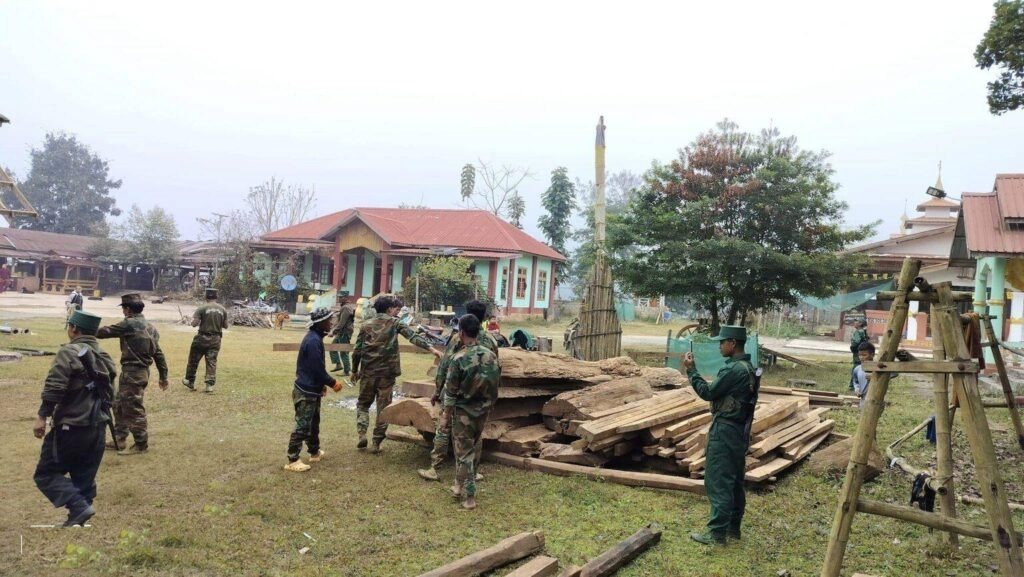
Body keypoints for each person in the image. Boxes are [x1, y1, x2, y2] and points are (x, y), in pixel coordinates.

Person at [32, 310, 116, 527]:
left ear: (74, 329)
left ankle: (79, 508)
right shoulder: (104, 356)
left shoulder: (69, 352)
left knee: (45, 474)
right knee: (84, 474)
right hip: (98, 425)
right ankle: (79, 518)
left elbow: (54, 388)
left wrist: (42, 416)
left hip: (72, 424)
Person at [682, 325, 760, 545]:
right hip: (739, 431)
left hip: (724, 430)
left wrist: (691, 370)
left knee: (718, 480)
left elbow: (708, 392)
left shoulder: (733, 370)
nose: (719, 346)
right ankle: (733, 529)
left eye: (722, 342)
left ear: (732, 344)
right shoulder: (748, 367)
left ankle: (716, 534)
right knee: (734, 480)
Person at [418, 300, 500, 482]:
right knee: (476, 435)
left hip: (456, 392)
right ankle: (474, 471)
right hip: (480, 395)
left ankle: (435, 468)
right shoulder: (490, 340)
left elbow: (445, 365)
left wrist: (438, 390)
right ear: (484, 317)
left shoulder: (458, 338)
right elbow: (495, 367)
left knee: (444, 427)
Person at [351, 294, 442, 453]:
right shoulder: (395, 323)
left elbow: (357, 351)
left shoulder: (365, 325)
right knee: (383, 408)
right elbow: (412, 336)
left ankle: (361, 434)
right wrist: (432, 349)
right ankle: (376, 443)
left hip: (368, 372)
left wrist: (354, 370)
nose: (397, 311)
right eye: (396, 308)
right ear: (390, 309)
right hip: (387, 374)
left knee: (363, 405)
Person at [96, 293, 169, 455]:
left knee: (133, 408)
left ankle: (141, 444)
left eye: (123, 308)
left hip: (133, 373)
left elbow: (105, 332)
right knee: (119, 404)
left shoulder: (129, 324)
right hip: (138, 372)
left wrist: (86, 329)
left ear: (127, 309)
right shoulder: (150, 327)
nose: (123, 311)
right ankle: (119, 438)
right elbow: (158, 354)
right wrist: (163, 376)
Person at [441, 314, 500, 510]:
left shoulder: (458, 359)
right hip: (483, 411)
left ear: (461, 333)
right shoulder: (491, 355)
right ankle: (457, 485)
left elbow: (449, 393)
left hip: (463, 412)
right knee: (470, 449)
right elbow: (496, 385)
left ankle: (470, 495)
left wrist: (444, 417)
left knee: (463, 452)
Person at [284, 307, 343, 472]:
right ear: (321, 323)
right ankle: (293, 459)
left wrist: (321, 385)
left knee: (313, 423)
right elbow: (316, 369)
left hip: (313, 388)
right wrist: (332, 383)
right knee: (303, 425)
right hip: (305, 390)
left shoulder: (316, 338)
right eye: (329, 320)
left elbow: (315, 369)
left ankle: (314, 452)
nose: (331, 323)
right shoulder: (312, 341)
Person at [182, 288, 229, 393]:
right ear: (216, 297)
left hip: (202, 338)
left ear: (206, 296)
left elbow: (194, 324)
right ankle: (209, 386)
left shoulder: (202, 308)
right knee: (211, 361)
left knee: (194, 360)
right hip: (216, 339)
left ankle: (189, 380)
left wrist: (192, 320)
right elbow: (225, 326)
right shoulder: (222, 309)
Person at [329, 293, 356, 374]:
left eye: (340, 297)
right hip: (342, 332)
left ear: (345, 298)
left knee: (343, 351)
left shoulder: (346, 307)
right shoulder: (345, 306)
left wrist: (334, 331)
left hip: (345, 332)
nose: (339, 298)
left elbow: (342, 322)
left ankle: (347, 371)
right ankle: (338, 365)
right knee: (332, 347)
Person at [853, 341, 875, 408]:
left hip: (875, 402)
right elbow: (855, 381)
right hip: (863, 401)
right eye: (860, 355)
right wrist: (857, 389)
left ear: (872, 354)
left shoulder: (878, 367)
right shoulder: (857, 369)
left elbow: (894, 373)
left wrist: (875, 377)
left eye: (864, 355)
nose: (861, 357)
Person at [849, 319, 869, 391]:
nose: (854, 323)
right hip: (863, 351)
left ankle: (852, 386)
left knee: (855, 368)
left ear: (860, 324)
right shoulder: (864, 332)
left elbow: (856, 342)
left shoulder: (858, 332)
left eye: (856, 322)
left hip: (857, 352)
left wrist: (852, 347)